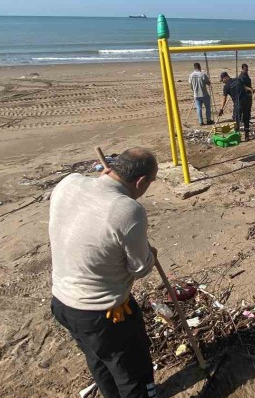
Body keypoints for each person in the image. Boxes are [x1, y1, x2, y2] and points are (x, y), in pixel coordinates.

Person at [49, 148, 159, 398]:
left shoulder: (69, 182)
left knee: (100, 360)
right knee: (132, 374)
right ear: (141, 181)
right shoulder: (128, 210)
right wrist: (151, 254)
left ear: (111, 167)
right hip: (103, 313)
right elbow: (140, 268)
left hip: (64, 303)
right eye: (150, 183)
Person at [219, 71, 254, 141]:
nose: (223, 82)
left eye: (222, 80)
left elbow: (224, 100)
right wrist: (251, 90)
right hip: (246, 101)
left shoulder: (226, 86)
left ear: (225, 78)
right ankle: (247, 136)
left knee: (237, 120)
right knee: (246, 119)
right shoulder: (238, 79)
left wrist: (221, 109)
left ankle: (238, 136)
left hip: (238, 104)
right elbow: (245, 87)